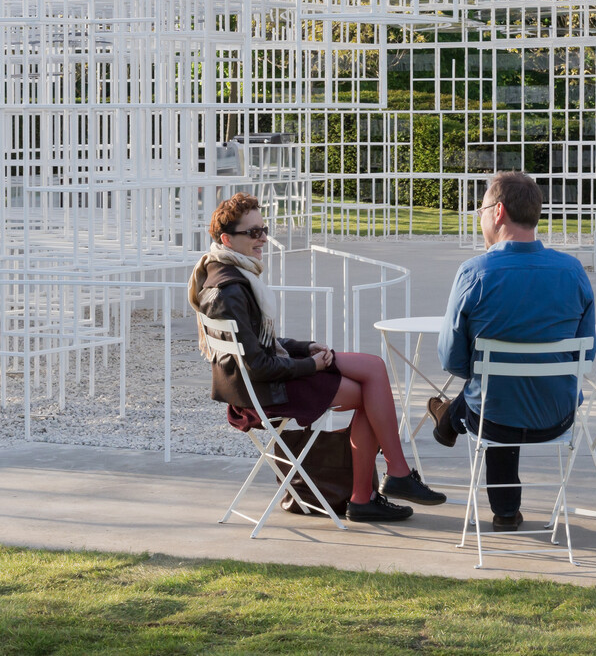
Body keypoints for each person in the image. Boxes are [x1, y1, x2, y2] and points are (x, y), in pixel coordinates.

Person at [190, 192, 446, 523]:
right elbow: (258, 364)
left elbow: (258, 343)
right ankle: (374, 490)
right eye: (253, 232)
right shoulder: (229, 290)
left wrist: (305, 347)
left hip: (266, 379)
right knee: (370, 393)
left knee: (374, 367)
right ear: (227, 239)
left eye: (264, 229)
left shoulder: (228, 274)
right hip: (265, 391)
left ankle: (389, 480)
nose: (263, 238)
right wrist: (312, 365)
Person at [428, 171, 596, 532]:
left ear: (499, 211)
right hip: (558, 416)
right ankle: (450, 420)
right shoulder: (572, 271)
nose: (480, 216)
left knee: (493, 394)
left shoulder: (475, 272)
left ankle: (505, 509)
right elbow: (586, 353)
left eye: (482, 209)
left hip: (494, 418)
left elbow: (451, 360)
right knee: (503, 387)